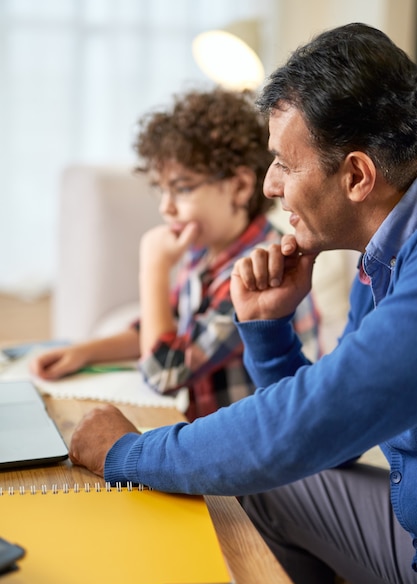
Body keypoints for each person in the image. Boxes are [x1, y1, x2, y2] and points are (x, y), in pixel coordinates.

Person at [67, 22, 417, 584]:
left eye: (283, 162)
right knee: (263, 482)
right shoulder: (381, 261)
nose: (269, 185)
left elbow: (297, 429)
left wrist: (126, 454)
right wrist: (268, 328)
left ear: (357, 176)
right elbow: (328, 439)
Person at [30, 88, 319, 422]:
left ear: (240, 187)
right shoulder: (203, 250)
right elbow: (162, 326)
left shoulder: (257, 267)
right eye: (162, 190)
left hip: (252, 446)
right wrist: (81, 352)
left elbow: (165, 373)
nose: (166, 207)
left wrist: (153, 268)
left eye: (182, 188)